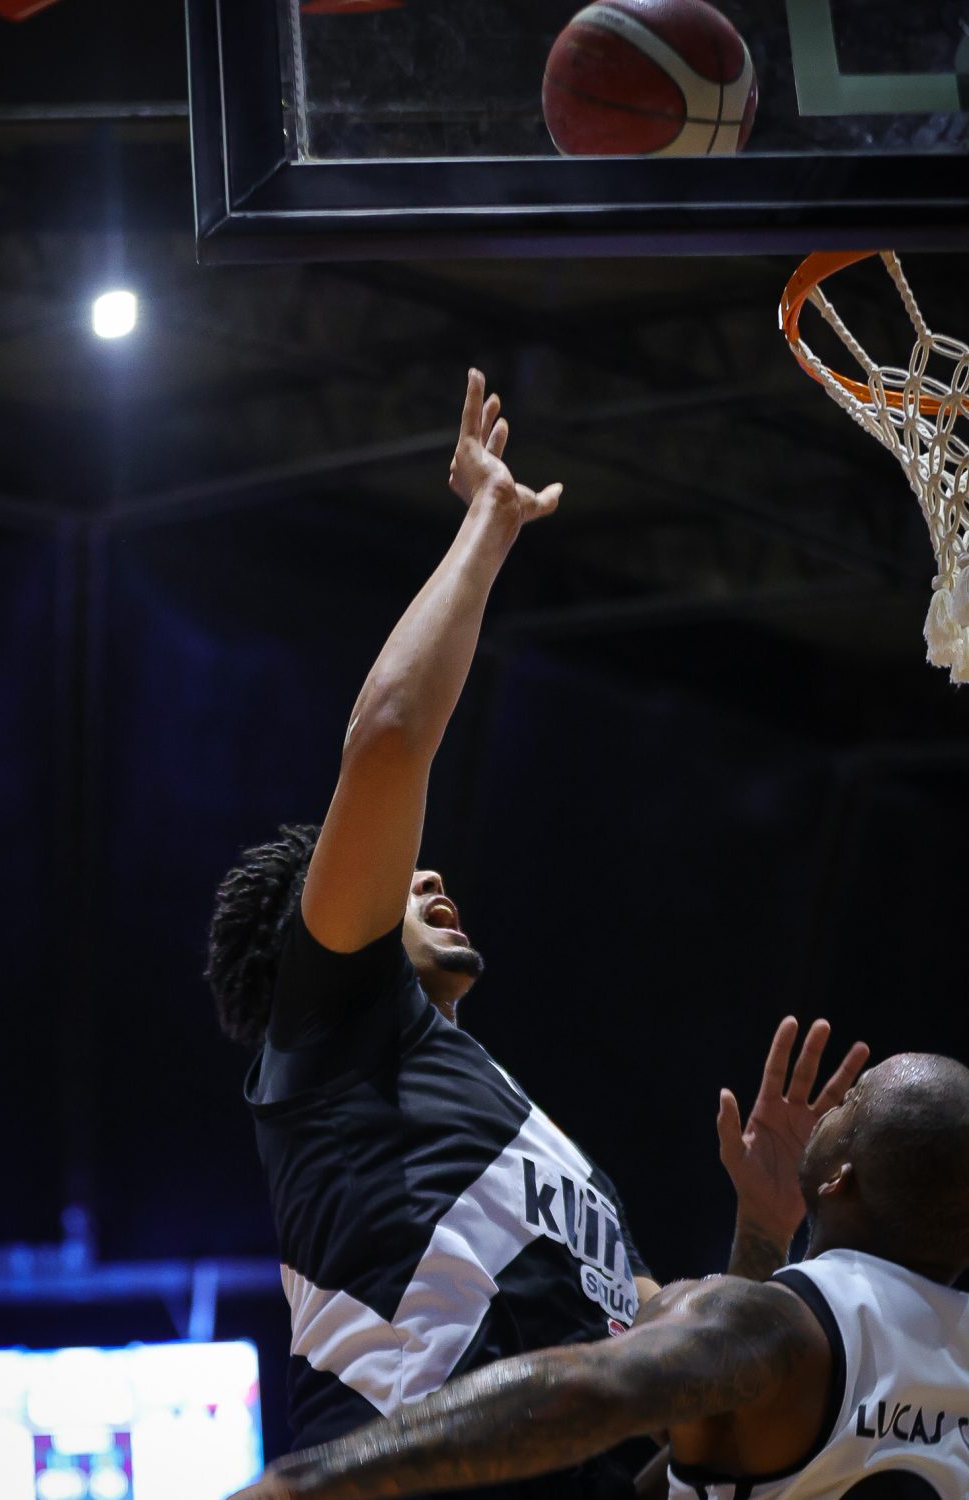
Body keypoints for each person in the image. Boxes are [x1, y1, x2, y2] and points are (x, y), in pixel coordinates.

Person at [206, 371, 865, 1500]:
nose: (427, 872)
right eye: (396, 876)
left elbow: (679, 1396)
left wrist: (762, 1231)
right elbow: (390, 735)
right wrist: (489, 520)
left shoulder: (536, 1145)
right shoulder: (327, 1033)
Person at [229, 1050, 969, 1500]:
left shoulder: (770, 1326)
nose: (832, 1104)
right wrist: (764, 1231)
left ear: (839, 1178)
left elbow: (588, 1389)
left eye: (850, 1103)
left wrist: (306, 1483)